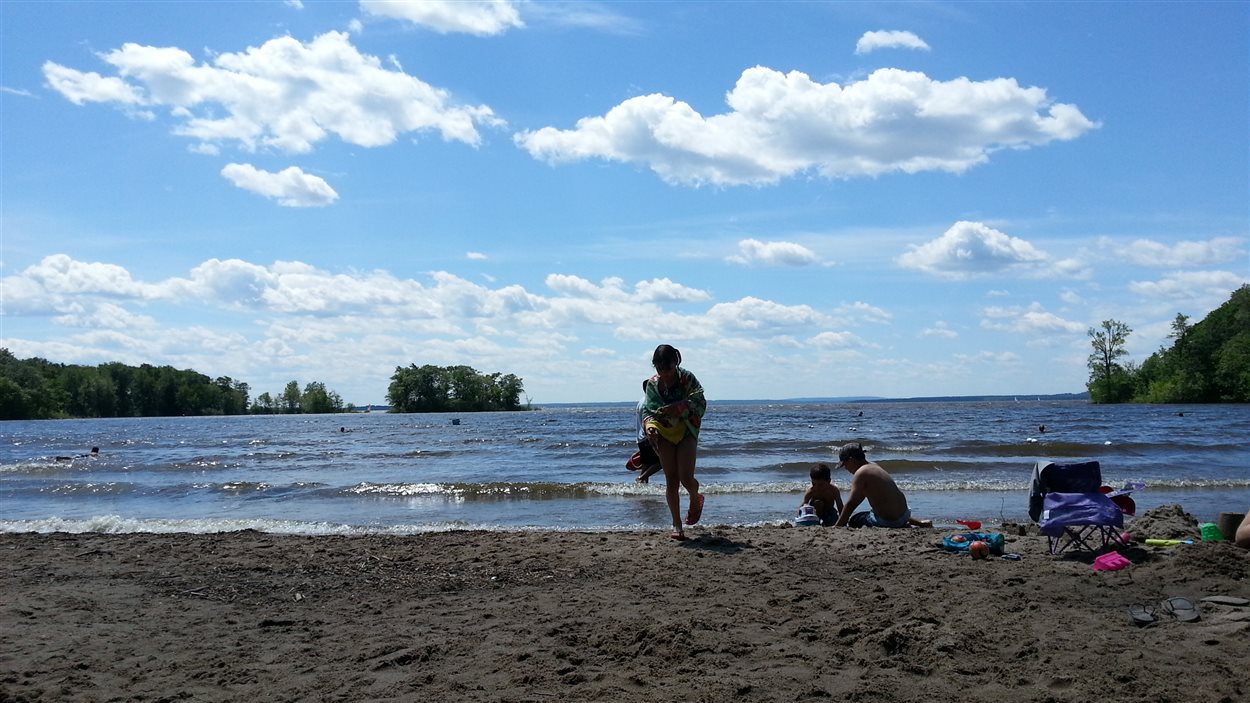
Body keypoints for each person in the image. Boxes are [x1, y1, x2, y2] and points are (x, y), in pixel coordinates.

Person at [641, 344, 706, 540]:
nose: (664, 373)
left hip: (686, 429)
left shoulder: (687, 378)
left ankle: (695, 499)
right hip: (664, 432)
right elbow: (648, 410)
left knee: (686, 478)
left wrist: (681, 406)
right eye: (659, 369)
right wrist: (649, 426)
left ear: (675, 363)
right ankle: (677, 524)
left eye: (667, 369)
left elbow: (701, 404)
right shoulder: (653, 384)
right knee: (671, 479)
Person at [832, 442, 931, 528]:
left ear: (851, 460)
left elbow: (851, 504)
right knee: (880, 507)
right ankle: (917, 522)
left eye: (845, 464)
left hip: (888, 522)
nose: (845, 468)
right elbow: (860, 497)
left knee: (855, 519)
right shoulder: (874, 466)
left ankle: (899, 524)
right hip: (905, 514)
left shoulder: (861, 473)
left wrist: (838, 526)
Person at [627, 382, 663, 483]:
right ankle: (641, 478)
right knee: (663, 461)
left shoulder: (641, 401)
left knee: (646, 464)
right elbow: (648, 422)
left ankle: (641, 488)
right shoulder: (648, 403)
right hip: (647, 437)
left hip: (640, 438)